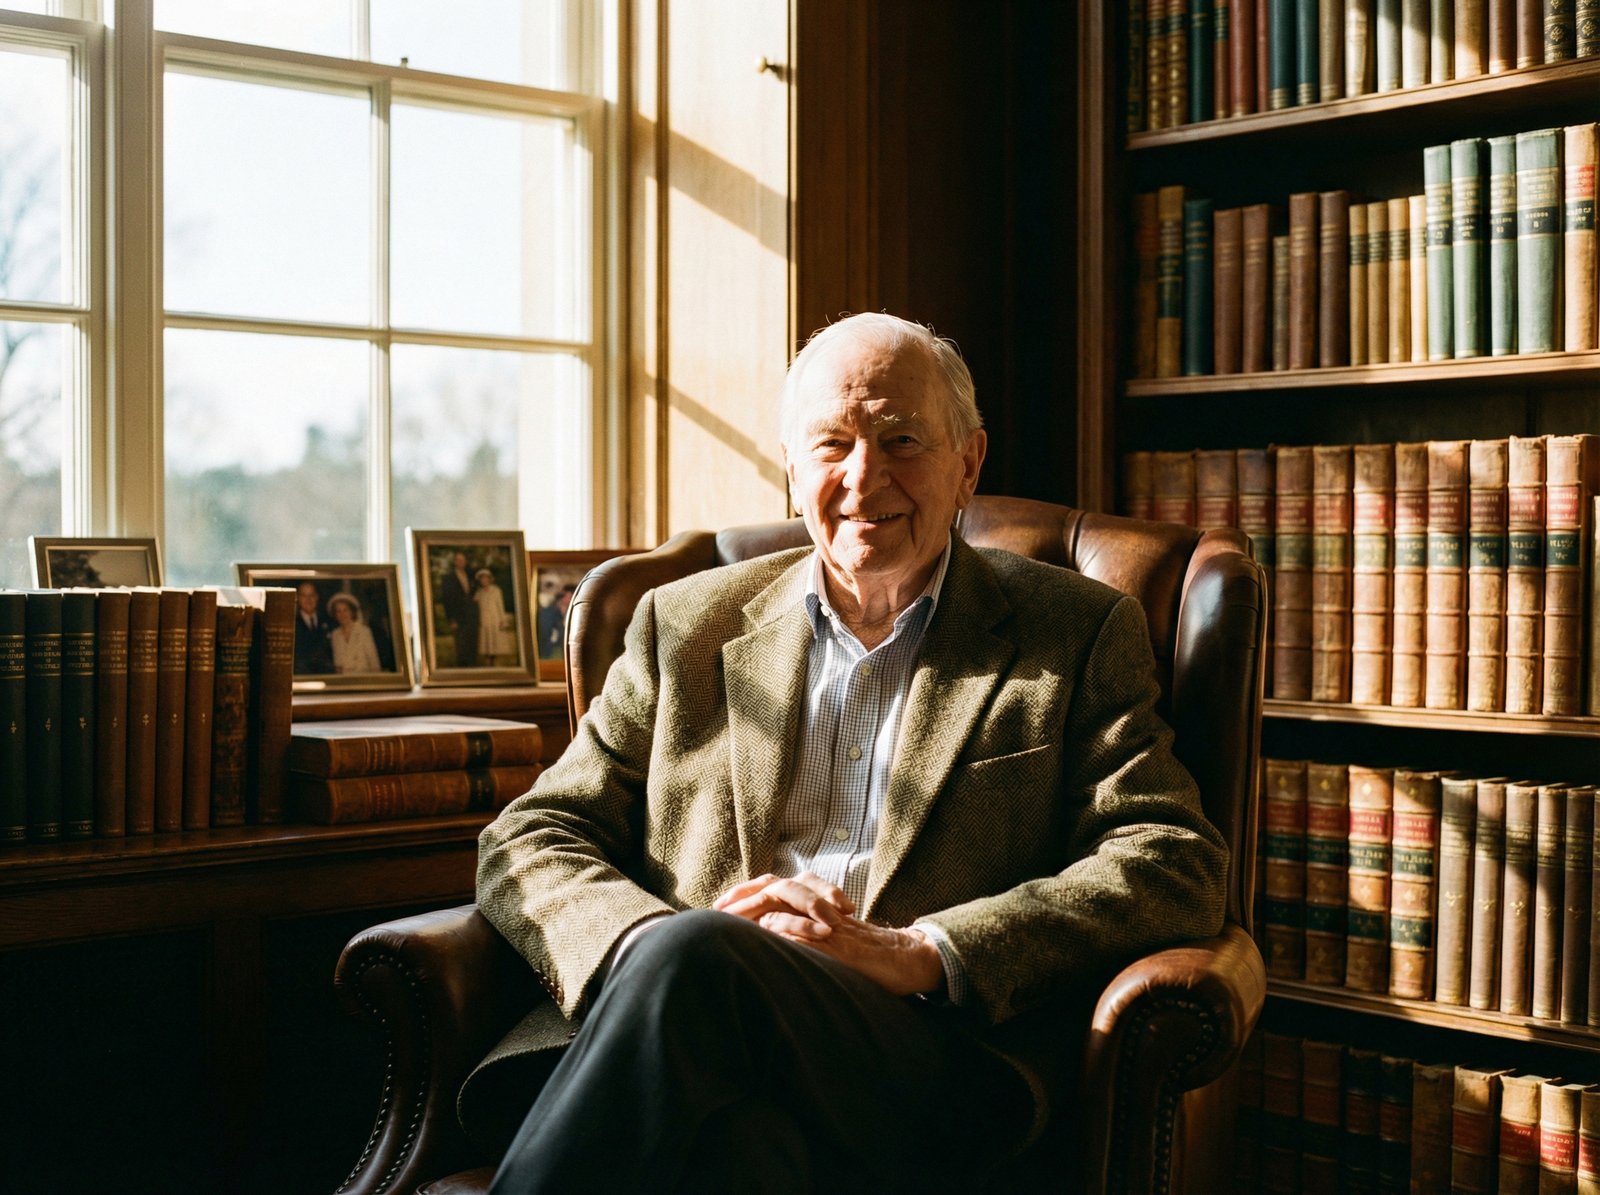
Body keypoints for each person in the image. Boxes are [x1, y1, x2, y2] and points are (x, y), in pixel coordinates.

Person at [472, 312, 1229, 1191]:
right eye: (831, 445)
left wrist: (920, 949)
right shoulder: (683, 627)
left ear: (967, 464)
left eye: (901, 440)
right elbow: (529, 836)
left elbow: (1173, 861)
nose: (864, 477)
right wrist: (647, 949)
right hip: (685, 1050)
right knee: (745, 1144)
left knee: (699, 960)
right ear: (792, 472)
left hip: (918, 1060)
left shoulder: (1075, 631)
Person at [438, 550, 481, 668]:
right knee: (460, 644)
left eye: (463, 560)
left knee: (472, 642)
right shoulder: (448, 578)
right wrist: (451, 619)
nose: (461, 562)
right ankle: (461, 669)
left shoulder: (472, 576)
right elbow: (447, 600)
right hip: (458, 616)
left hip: (471, 615)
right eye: (458, 560)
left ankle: (473, 667)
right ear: (454, 562)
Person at [326, 592, 382, 674]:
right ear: (335, 615)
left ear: (351, 611)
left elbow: (374, 662)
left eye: (345, 610)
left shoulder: (364, 631)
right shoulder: (335, 634)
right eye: (338, 611)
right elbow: (337, 664)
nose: (342, 614)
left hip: (364, 681)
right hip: (344, 682)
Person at [474, 567, 515, 666]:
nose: (484, 580)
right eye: (482, 579)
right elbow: (475, 604)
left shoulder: (496, 590)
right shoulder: (479, 593)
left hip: (494, 618)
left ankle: (494, 660)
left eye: (486, 578)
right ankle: (488, 660)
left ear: (490, 579)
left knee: (495, 640)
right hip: (484, 619)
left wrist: (502, 620)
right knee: (486, 641)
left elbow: (500, 605)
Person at [292, 581, 334, 675]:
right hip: (302, 679)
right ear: (298, 598)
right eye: (304, 596)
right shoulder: (292, 624)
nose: (308, 600)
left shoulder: (328, 621)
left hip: (327, 678)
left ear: (317, 597)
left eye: (312, 595)